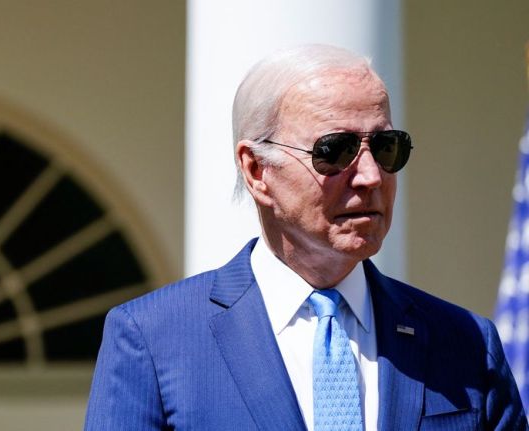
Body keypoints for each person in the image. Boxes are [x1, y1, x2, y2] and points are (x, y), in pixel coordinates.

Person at [84, 44, 527, 430]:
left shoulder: (466, 342)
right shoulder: (153, 339)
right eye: (335, 151)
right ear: (257, 170)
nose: (371, 176)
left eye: (386, 147)